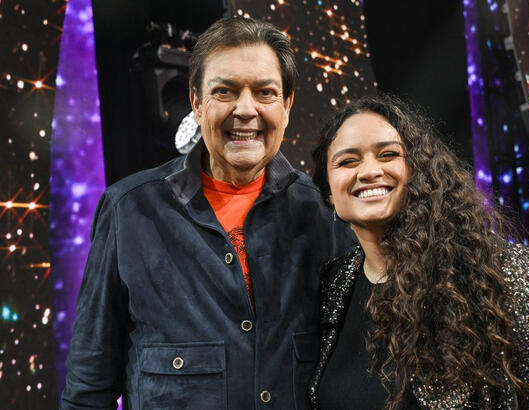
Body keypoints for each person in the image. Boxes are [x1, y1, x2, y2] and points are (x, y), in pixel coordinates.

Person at [61, 17, 355, 409]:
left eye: (265, 92)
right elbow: (88, 386)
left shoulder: (326, 211)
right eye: (225, 91)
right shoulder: (129, 210)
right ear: (197, 103)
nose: (245, 110)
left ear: (286, 106)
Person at [308, 94, 529, 409]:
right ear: (328, 192)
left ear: (418, 171)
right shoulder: (332, 286)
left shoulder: (502, 271)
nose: (368, 171)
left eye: (388, 154)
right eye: (347, 161)